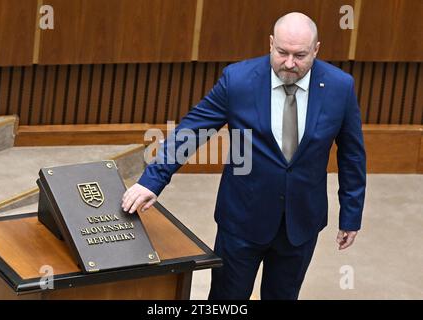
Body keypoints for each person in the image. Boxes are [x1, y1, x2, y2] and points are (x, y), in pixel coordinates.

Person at [121, 12, 366, 300]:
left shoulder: (340, 86)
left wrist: (351, 214)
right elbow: (192, 130)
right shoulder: (237, 80)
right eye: (282, 52)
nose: (289, 64)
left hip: (300, 223)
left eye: (300, 55)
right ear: (271, 44)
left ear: (316, 49)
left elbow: (352, 155)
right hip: (242, 219)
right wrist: (153, 180)